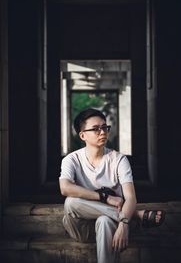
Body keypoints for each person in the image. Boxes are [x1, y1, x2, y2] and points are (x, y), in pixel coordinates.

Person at [59, 108, 165, 263]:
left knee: (104, 220)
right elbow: (65, 188)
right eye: (95, 129)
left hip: (111, 225)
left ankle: (124, 218)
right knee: (71, 202)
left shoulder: (119, 160)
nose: (102, 132)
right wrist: (106, 198)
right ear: (82, 135)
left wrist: (123, 223)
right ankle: (136, 215)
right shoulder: (71, 160)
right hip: (82, 228)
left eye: (104, 127)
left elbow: (130, 197)